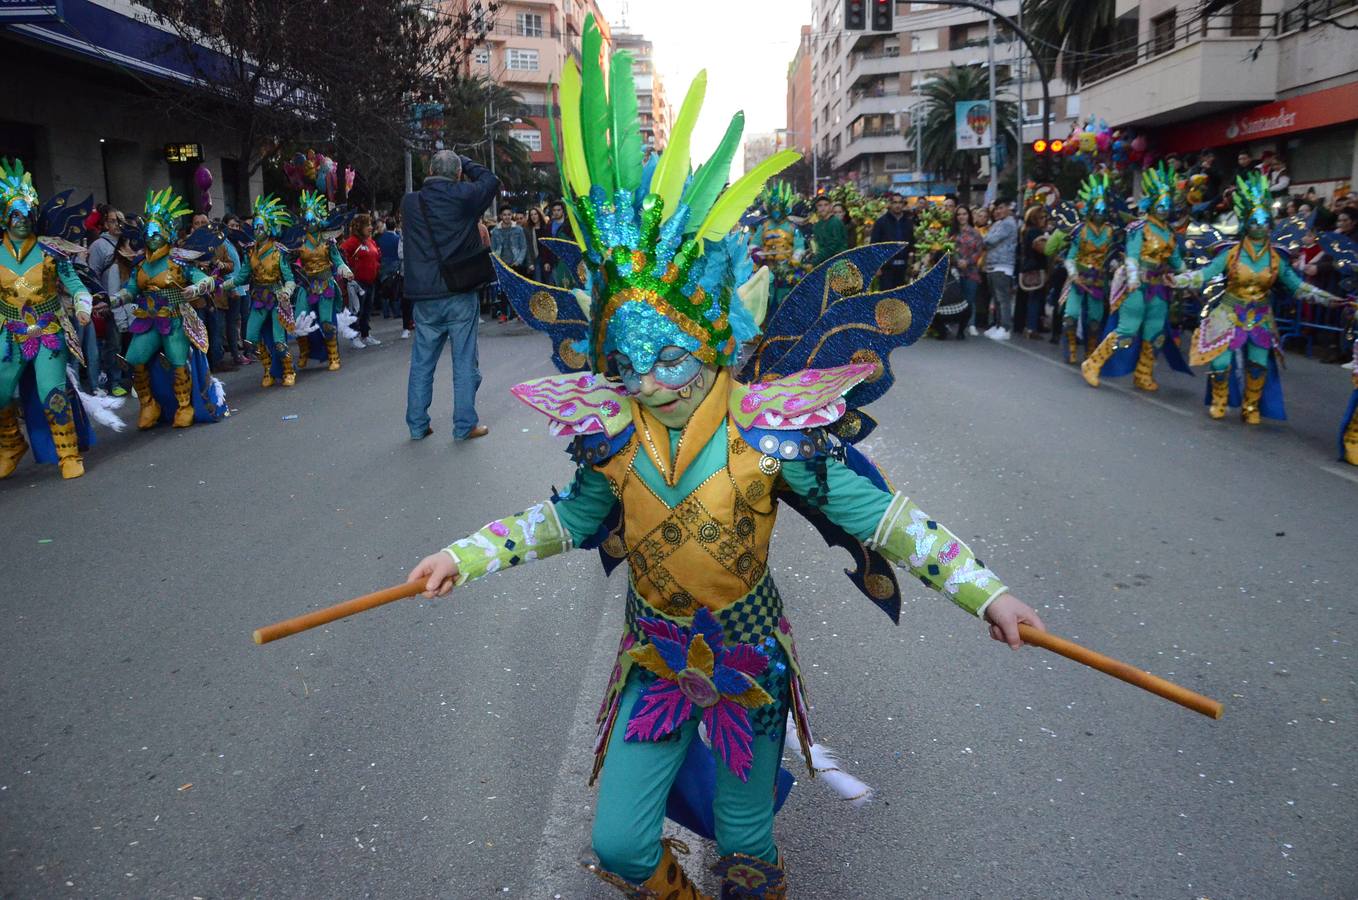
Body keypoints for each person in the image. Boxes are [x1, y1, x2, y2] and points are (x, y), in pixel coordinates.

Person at [411, 34, 1046, 896]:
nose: (651, 382)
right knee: (624, 845)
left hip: (747, 665)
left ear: (711, 342)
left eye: (670, 357)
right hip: (655, 660)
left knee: (748, 853)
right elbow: (565, 520)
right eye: (628, 367)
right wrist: (462, 555)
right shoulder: (613, 434)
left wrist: (990, 593)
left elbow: (888, 521)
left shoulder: (773, 433)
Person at [1176, 170, 1348, 424]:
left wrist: (1330, 299)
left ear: (1269, 223)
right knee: (1220, 363)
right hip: (1228, 312)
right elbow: (1205, 274)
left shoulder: (1276, 256)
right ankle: (1220, 401)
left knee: (1259, 364)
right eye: (1253, 220)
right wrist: (1178, 280)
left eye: (1263, 220)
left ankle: (1250, 406)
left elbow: (1297, 286)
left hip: (1259, 316)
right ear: (1246, 223)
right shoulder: (1230, 252)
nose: (1259, 225)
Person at [0, 158, 95, 480]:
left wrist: (83, 305)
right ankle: (11, 443)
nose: (22, 220)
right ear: (4, 217)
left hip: (48, 329)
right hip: (8, 333)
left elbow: (77, 285)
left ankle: (67, 452)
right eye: (15, 214)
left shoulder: (52, 250)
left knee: (51, 391)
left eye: (27, 214)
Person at [402, 149, 497, 441]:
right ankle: (464, 424)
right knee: (464, 360)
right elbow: (491, 180)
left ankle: (418, 425)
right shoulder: (464, 196)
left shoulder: (410, 202)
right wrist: (465, 161)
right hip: (458, 291)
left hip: (423, 296)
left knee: (421, 362)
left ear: (429, 169)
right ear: (457, 174)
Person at [110, 188, 217, 430]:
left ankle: (184, 406)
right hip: (148, 320)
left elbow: (206, 278)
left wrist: (196, 288)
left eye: (157, 232)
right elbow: (130, 290)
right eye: (149, 232)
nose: (152, 236)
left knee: (178, 361)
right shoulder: (140, 265)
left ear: (167, 233)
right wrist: (115, 300)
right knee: (134, 359)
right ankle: (148, 404)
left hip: (175, 320)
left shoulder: (178, 261)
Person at [1083, 165, 1188, 393]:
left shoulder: (1170, 233)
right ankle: (1093, 363)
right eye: (1160, 204)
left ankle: (1143, 373)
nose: (1164, 209)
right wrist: (1132, 278)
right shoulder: (1138, 227)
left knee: (1155, 332)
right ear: (1150, 203)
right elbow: (1131, 255)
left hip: (1160, 288)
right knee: (1127, 330)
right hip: (1137, 285)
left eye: (1167, 205)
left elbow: (1177, 261)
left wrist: (1189, 277)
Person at [228, 195, 298, 387]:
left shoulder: (278, 251)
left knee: (278, 341)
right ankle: (267, 370)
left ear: (268, 228)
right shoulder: (250, 251)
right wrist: (218, 284)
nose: (257, 231)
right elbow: (241, 276)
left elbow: (290, 278)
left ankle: (288, 370)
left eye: (261, 227)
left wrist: (287, 291)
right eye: (255, 227)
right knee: (251, 339)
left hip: (276, 298)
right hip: (258, 299)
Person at [1060, 174, 1116, 364]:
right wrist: (1073, 274)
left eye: (1103, 209)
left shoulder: (1111, 232)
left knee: (1094, 321)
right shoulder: (1080, 230)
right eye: (1097, 209)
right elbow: (1070, 257)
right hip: (1079, 279)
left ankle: (1091, 349)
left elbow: (1114, 256)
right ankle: (1072, 348)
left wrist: (1117, 265)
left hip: (1099, 281)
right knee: (1070, 317)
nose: (1100, 213)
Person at [85, 207, 126, 393]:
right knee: (114, 343)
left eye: (120, 220)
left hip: (130, 300)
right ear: (105, 224)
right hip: (111, 300)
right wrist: (99, 300)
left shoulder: (129, 241)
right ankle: (115, 381)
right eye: (113, 220)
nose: (117, 224)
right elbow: (91, 274)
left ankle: (131, 378)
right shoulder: (98, 246)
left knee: (131, 341)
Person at [750, 182, 805, 312]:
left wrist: (796, 257)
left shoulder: (792, 227)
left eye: (778, 207)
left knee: (786, 300)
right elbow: (754, 244)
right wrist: (756, 253)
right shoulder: (763, 226)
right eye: (773, 207)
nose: (776, 210)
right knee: (765, 300)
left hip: (787, 268)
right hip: (766, 268)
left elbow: (799, 246)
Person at [340, 213, 380, 349]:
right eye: (367, 225)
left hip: (370, 282)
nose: (370, 227)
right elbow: (340, 255)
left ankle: (365, 335)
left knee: (367, 310)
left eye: (371, 224)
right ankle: (354, 336)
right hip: (357, 284)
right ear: (359, 227)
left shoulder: (370, 241)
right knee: (357, 311)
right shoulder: (352, 242)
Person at [982, 199, 1017, 338]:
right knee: (996, 298)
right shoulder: (998, 223)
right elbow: (988, 239)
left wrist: (986, 239)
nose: (998, 211)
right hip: (992, 264)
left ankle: (1005, 328)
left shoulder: (1008, 223)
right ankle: (997, 325)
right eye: (996, 209)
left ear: (1008, 208)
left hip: (1003, 264)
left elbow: (990, 240)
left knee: (1003, 298)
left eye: (1001, 208)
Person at [1015, 204, 1050, 338]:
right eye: (1042, 217)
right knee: (1035, 299)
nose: (1045, 220)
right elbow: (1043, 250)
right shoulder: (1036, 232)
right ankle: (1031, 327)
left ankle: (1026, 325)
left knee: (1029, 298)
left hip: (1026, 267)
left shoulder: (1025, 231)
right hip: (1036, 267)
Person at [868, 192, 914, 289]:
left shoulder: (908, 222)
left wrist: (913, 261)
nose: (897, 205)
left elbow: (912, 243)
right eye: (895, 202)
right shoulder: (881, 222)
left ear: (903, 204)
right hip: (886, 268)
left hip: (904, 267)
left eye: (900, 202)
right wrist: (876, 266)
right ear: (890, 204)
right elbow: (874, 245)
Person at [489, 206, 526, 323]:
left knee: (517, 289)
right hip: (502, 264)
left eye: (509, 214)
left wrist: (519, 260)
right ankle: (504, 314)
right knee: (504, 291)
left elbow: (523, 247)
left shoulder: (519, 230)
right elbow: (493, 248)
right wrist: (497, 262)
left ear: (512, 215)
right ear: (501, 216)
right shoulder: (495, 231)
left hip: (516, 263)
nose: (507, 217)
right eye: (504, 215)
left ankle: (519, 313)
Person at [953, 205, 984, 335]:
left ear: (969, 215)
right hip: (955, 270)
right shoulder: (952, 232)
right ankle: (956, 323)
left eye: (964, 214)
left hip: (971, 270)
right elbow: (947, 249)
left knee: (969, 299)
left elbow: (979, 251)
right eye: (959, 214)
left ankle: (970, 324)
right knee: (955, 299)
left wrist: (968, 261)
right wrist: (956, 260)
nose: (962, 217)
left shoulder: (975, 233)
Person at [376, 216, 405, 334]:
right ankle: (397, 312)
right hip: (395, 264)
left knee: (384, 288)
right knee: (396, 288)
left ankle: (386, 312)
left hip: (383, 264)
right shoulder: (398, 238)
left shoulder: (380, 238)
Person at [811, 193, 848, 263]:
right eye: (820, 205)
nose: (823, 208)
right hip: (822, 262)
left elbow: (833, 247)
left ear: (831, 206)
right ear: (816, 207)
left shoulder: (835, 222)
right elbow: (817, 244)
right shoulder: (817, 225)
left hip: (837, 262)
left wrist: (815, 260)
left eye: (826, 205)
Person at [527, 206, 551, 282]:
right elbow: (528, 247)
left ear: (539, 214)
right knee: (538, 282)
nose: (534, 216)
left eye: (535, 214)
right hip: (535, 259)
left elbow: (549, 246)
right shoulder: (529, 230)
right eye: (531, 215)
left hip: (546, 258)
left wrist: (547, 261)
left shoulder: (546, 228)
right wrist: (530, 263)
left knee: (549, 282)